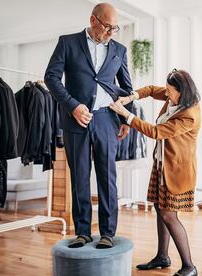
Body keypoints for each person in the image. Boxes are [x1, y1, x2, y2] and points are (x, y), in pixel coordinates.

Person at [45, 3, 133, 249]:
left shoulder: (119, 50)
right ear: (93, 20)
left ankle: (107, 233)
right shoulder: (67, 42)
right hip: (76, 120)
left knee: (107, 177)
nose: (110, 32)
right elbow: (51, 77)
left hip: (106, 119)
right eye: (106, 26)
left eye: (114, 28)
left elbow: (127, 88)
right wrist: (72, 105)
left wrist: (127, 118)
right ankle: (82, 232)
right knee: (80, 177)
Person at [110, 69, 201, 276]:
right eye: (167, 91)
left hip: (177, 170)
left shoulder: (189, 115)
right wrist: (131, 97)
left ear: (182, 91)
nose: (166, 95)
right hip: (162, 163)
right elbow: (151, 90)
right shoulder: (175, 97)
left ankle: (189, 266)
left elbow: (157, 132)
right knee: (160, 209)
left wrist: (126, 114)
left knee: (169, 215)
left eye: (170, 92)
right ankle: (162, 257)